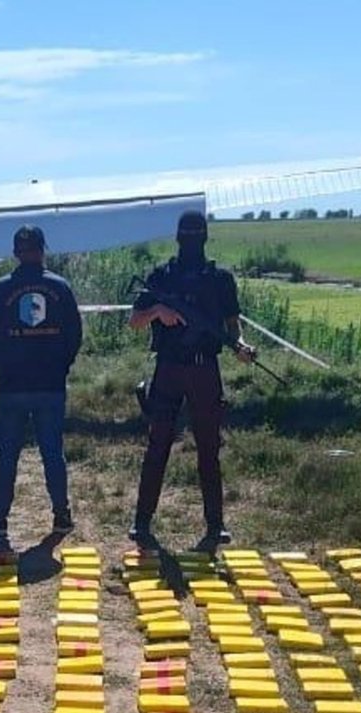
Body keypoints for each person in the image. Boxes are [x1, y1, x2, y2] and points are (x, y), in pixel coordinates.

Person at [127, 210, 256, 547]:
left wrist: (240, 346)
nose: (191, 242)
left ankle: (215, 526)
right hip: (169, 367)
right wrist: (158, 312)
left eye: (195, 235)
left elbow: (231, 324)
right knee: (158, 446)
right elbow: (136, 320)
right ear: (179, 238)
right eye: (188, 235)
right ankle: (142, 523)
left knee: (208, 448)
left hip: (205, 369)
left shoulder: (220, 280)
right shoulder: (161, 278)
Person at [0, 225, 82, 540]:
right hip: (50, 385)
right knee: (52, 452)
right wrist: (60, 366)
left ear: (15, 253)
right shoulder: (60, 288)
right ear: (42, 250)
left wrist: (0, 366)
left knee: (8, 454)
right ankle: (61, 514)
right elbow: (74, 336)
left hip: (12, 386)